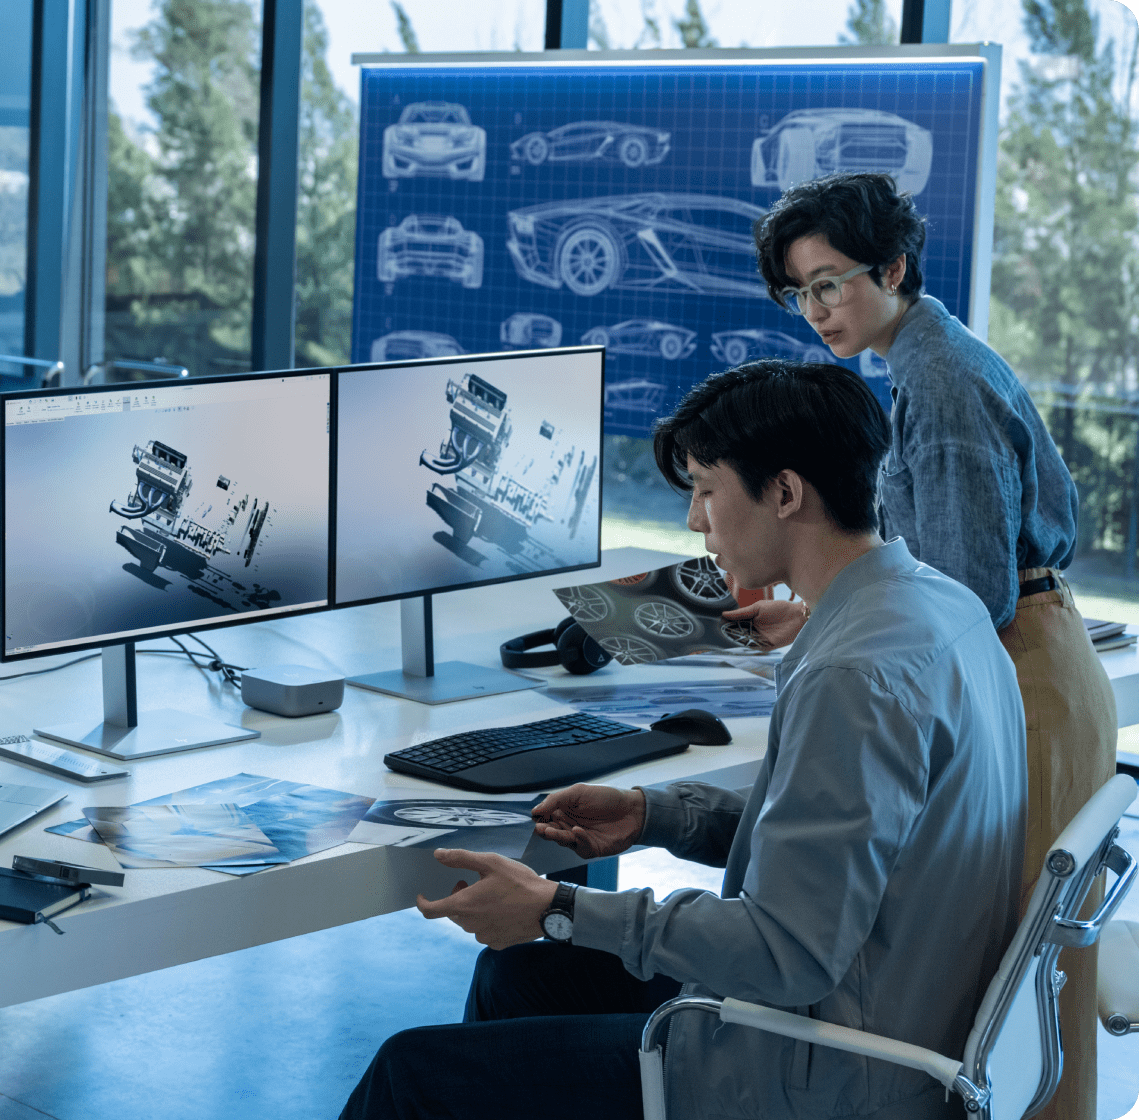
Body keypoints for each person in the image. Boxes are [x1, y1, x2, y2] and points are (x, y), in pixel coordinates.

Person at [339, 360, 1027, 1120]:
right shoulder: (946, 609)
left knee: (412, 1074)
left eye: (706, 489)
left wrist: (557, 906)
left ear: (786, 493)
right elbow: (849, 847)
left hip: (823, 1065)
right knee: (516, 981)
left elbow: (785, 951)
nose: (694, 522)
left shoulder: (851, 674)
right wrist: (656, 816)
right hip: (893, 1002)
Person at [747, 172, 1116, 1120]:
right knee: (1029, 972)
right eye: (800, 290)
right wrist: (822, 613)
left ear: (895, 267)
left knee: (1022, 981)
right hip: (1026, 646)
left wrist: (855, 631)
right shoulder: (926, 358)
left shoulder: (939, 384)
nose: (816, 309)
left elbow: (967, 595)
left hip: (1019, 661)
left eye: (832, 282)